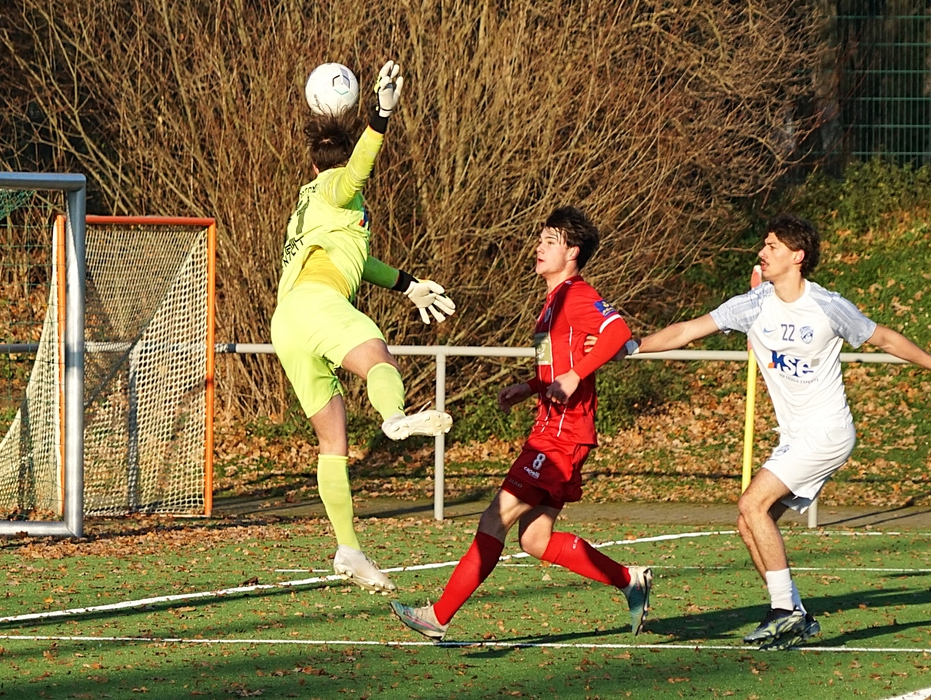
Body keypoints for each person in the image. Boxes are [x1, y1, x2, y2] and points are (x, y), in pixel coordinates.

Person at [616, 213, 931, 650]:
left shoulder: (828, 306)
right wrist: (632, 346)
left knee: (751, 503)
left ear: (797, 256)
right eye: (764, 245)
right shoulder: (754, 304)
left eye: (771, 246)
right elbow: (688, 330)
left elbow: (884, 338)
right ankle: (797, 616)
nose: (761, 253)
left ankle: (784, 611)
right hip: (795, 436)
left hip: (826, 431)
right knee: (750, 522)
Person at [390, 206, 653, 642]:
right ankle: (629, 580)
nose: (539, 247)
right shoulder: (552, 302)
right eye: (541, 239)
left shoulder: (577, 294)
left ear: (572, 252)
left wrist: (576, 375)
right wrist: (530, 387)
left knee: (496, 516)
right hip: (556, 429)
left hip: (561, 435)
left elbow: (617, 332)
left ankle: (437, 616)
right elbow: (560, 363)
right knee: (535, 539)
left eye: (550, 241)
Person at [270, 60, 456, 594]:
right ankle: (394, 416)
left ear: (310, 161)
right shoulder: (336, 187)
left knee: (333, 441)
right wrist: (380, 116)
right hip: (316, 304)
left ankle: (348, 547)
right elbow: (355, 173)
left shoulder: (309, 204)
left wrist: (407, 284)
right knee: (378, 358)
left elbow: (359, 262)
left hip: (288, 322)